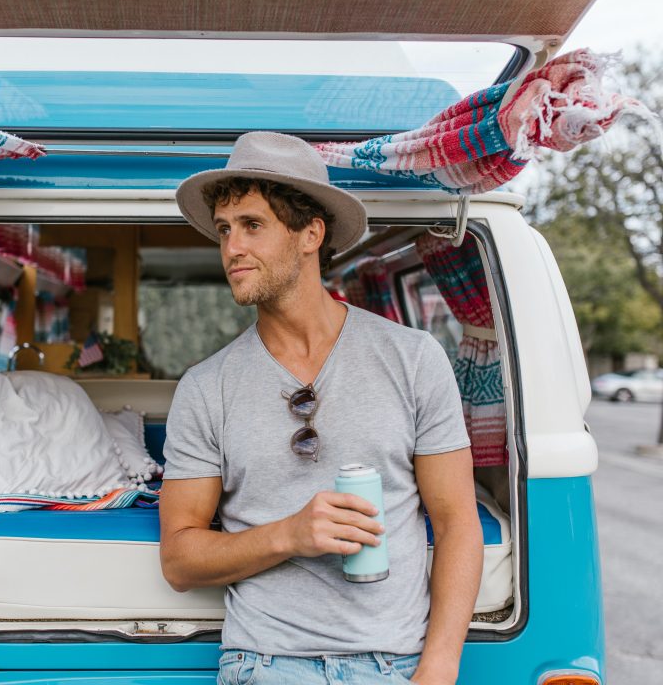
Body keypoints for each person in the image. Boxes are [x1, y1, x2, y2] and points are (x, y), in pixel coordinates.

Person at [159, 131, 484, 685]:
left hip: (396, 662)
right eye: (224, 229)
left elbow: (457, 524)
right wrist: (291, 534)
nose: (231, 248)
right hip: (264, 664)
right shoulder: (204, 387)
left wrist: (439, 666)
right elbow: (180, 561)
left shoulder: (413, 359)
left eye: (252, 225)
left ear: (311, 233)